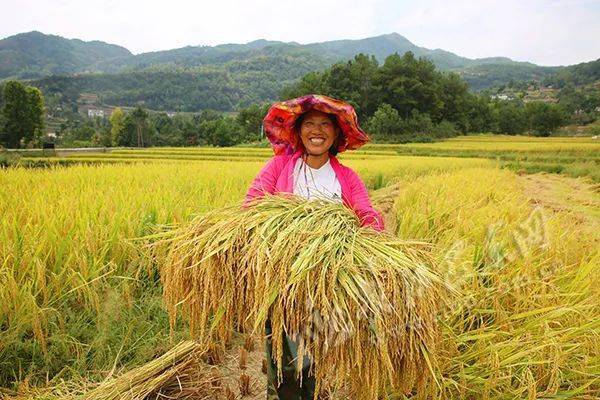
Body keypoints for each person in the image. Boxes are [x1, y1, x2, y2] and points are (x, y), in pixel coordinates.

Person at [243, 94, 384, 399]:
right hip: (282, 279)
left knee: (311, 357)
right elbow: (252, 202)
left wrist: (370, 232)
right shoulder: (281, 166)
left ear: (336, 134)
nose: (316, 130)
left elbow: (367, 213)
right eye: (309, 124)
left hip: (326, 281)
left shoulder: (346, 177)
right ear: (299, 131)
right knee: (285, 361)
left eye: (324, 124)